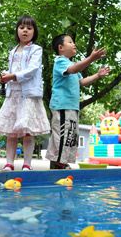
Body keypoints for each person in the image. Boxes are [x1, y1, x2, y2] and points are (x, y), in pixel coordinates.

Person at [0, 15, 50, 171]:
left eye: (29, 28)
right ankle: (9, 163)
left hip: (28, 95)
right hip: (13, 95)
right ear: (17, 30)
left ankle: (27, 164)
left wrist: (12, 76)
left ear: (34, 32)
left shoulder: (36, 49)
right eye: (22, 27)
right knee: (11, 132)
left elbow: (32, 70)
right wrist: (4, 76)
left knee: (28, 132)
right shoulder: (12, 51)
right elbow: (11, 71)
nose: (25, 31)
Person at [45, 34, 111, 169]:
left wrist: (97, 75)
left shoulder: (70, 64)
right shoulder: (60, 61)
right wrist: (91, 58)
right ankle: (59, 163)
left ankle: (61, 163)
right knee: (62, 134)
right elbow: (74, 69)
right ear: (61, 48)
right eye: (70, 42)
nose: (74, 44)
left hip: (72, 107)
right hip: (62, 105)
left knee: (70, 135)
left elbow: (82, 82)